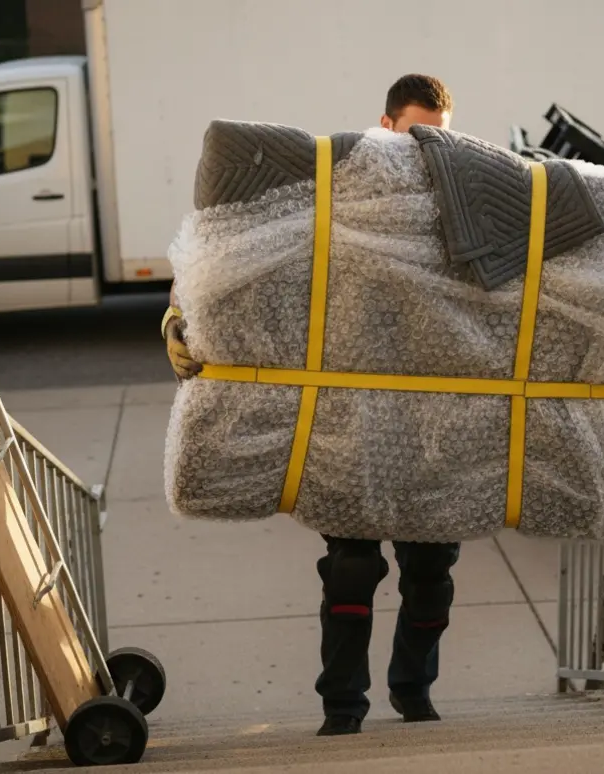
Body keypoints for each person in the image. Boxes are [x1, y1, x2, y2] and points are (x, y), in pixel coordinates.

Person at [164, 75, 459, 737]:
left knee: (431, 576)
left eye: (436, 141)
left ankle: (414, 694)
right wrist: (180, 317)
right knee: (352, 574)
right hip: (347, 425)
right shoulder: (336, 190)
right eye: (412, 137)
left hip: (435, 428)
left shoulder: (461, 198)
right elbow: (238, 253)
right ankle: (343, 709)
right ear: (384, 127)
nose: (421, 153)